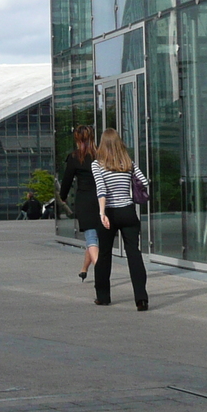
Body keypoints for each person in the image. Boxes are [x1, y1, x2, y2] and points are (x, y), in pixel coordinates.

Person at [91, 128, 150, 309]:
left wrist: (102, 214)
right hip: (128, 212)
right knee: (134, 253)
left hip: (109, 212)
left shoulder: (97, 164)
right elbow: (145, 182)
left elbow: (101, 190)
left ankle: (103, 296)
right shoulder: (128, 163)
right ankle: (141, 298)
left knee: (105, 255)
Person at [57, 125, 100, 282]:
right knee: (94, 236)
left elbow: (67, 180)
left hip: (85, 200)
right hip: (102, 199)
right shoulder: (101, 155)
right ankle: (84, 269)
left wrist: (62, 197)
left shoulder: (75, 157)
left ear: (77, 139)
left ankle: (100, 270)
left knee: (91, 237)